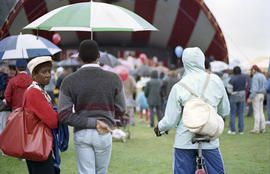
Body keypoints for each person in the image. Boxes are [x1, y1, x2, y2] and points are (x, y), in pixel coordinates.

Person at [154, 47, 230, 174]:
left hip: (185, 142)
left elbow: (170, 120)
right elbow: (225, 110)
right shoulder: (216, 80)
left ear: (184, 62)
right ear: (201, 60)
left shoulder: (179, 86)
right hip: (210, 138)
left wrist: (160, 127)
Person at [58, 40, 126, 174]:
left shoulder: (69, 81)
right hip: (104, 130)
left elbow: (63, 115)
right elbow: (121, 109)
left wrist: (91, 122)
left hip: (82, 132)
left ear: (78, 57)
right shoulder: (114, 78)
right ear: (99, 55)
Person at [24, 56, 58, 174]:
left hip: (34, 144)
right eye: (44, 72)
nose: (48, 75)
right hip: (39, 146)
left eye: (49, 71)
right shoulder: (35, 92)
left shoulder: (35, 90)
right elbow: (53, 121)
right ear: (34, 75)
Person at [226, 66, 247, 134]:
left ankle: (233, 130)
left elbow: (229, 88)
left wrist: (232, 93)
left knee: (232, 114)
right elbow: (246, 86)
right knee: (240, 114)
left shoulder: (232, 78)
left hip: (234, 96)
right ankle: (241, 130)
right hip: (242, 96)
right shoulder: (244, 77)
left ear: (234, 71)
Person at [247, 65, 267, 134]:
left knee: (256, 112)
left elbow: (254, 89)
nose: (251, 71)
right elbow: (265, 86)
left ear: (254, 70)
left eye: (251, 70)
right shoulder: (263, 76)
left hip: (256, 95)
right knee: (261, 111)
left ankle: (256, 129)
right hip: (262, 94)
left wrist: (250, 97)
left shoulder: (255, 77)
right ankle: (263, 128)